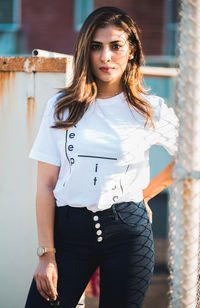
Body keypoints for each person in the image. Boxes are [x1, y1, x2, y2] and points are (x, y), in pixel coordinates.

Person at [25, 6, 178, 308]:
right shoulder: (62, 107)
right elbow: (45, 184)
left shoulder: (150, 109)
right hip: (68, 234)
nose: (105, 56)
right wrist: (46, 254)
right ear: (86, 51)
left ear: (131, 51)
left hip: (129, 234)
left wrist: (145, 194)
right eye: (96, 46)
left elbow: (192, 155)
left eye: (116, 46)